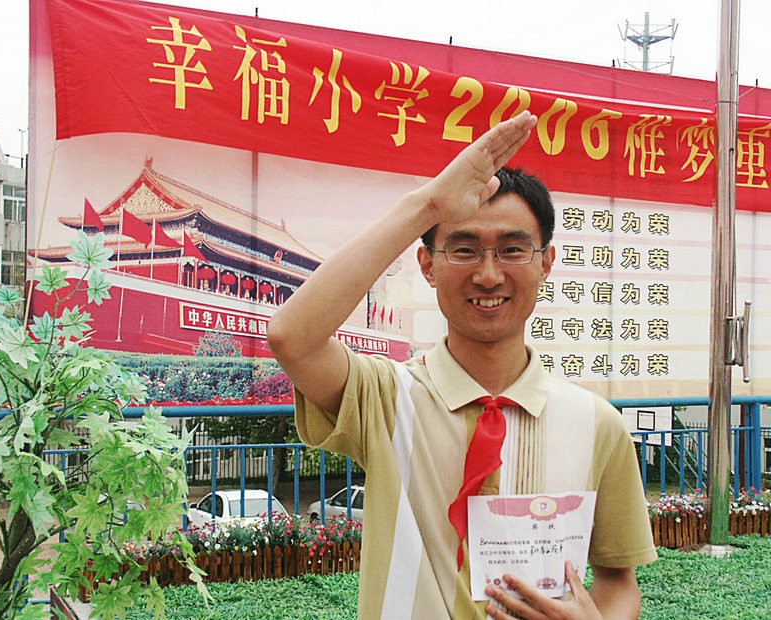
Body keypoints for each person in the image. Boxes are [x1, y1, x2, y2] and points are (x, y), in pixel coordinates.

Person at [267, 110, 657, 619]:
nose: (489, 275)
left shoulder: (597, 423)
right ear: (427, 265)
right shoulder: (387, 399)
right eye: (465, 249)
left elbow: (619, 582)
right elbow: (292, 337)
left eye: (512, 250)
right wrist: (428, 205)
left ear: (545, 262)